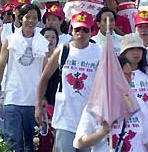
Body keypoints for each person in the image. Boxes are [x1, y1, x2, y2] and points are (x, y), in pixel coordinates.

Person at [35, 11, 102, 152]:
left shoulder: (100, 52)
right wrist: (38, 106)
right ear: (71, 30)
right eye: (77, 29)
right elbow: (44, 78)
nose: (81, 34)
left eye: (85, 29)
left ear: (92, 31)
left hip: (90, 118)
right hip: (65, 116)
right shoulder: (63, 50)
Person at [0, 4, 48, 152]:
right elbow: (1, 66)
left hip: (33, 101)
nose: (31, 21)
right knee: (13, 142)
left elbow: (46, 73)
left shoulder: (43, 41)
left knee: (32, 144)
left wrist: (44, 98)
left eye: (34, 18)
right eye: (27, 17)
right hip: (13, 98)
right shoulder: (10, 40)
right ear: (21, 18)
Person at [73, 55, 148, 152]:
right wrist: (103, 131)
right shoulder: (95, 107)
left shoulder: (139, 104)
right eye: (125, 75)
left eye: (131, 75)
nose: (129, 80)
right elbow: (79, 143)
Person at [119, 33, 148, 108]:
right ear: (124, 52)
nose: (136, 53)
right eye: (131, 49)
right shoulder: (118, 74)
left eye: (139, 49)